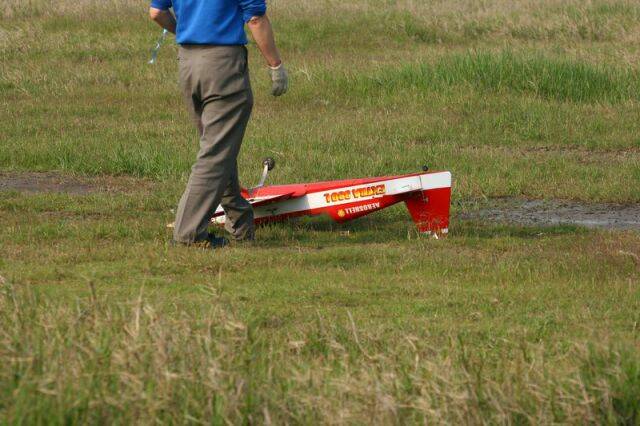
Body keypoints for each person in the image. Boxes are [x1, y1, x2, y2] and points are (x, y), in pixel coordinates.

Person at [149, 0, 288, 248]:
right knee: (214, 154)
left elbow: (157, 12)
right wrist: (275, 65)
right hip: (222, 65)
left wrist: (185, 31)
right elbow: (255, 19)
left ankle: (240, 223)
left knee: (220, 147)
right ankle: (188, 235)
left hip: (188, 63)